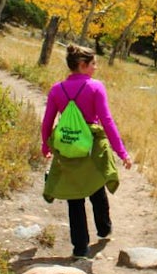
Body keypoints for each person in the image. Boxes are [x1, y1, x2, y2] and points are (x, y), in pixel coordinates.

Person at [41, 43, 132, 259]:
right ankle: (104, 229)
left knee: (75, 198)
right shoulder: (95, 87)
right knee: (96, 187)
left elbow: (47, 122)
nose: (95, 68)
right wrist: (122, 153)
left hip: (68, 148)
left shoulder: (57, 89)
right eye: (93, 64)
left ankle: (80, 248)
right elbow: (107, 121)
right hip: (91, 147)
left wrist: (46, 146)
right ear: (82, 65)